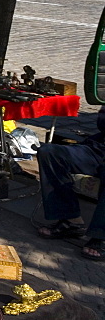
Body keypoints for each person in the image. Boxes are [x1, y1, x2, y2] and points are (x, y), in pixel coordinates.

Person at [36, 106, 104, 261]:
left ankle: (100, 236)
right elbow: (102, 121)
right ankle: (70, 219)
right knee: (49, 152)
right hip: (99, 147)